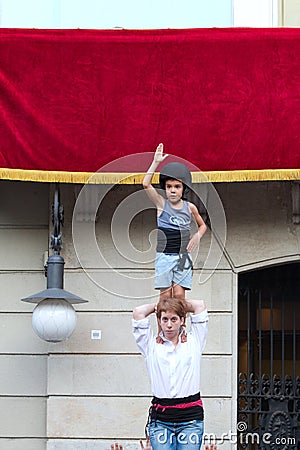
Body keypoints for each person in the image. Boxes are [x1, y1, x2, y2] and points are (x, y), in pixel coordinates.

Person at [132, 297, 208, 450]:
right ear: (159, 321)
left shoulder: (194, 342)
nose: (169, 324)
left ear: (182, 320)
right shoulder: (150, 345)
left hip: (190, 420)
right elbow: (138, 312)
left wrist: (176, 305)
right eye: (164, 319)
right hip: (161, 420)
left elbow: (199, 306)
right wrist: (160, 306)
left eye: (174, 319)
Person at [143, 143, 207, 303]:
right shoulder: (161, 204)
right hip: (164, 256)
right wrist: (156, 162)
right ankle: (161, 328)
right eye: (169, 186)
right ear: (164, 188)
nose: (172, 190)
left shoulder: (190, 207)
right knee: (165, 296)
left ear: (183, 189)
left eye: (177, 186)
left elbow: (202, 225)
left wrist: (197, 236)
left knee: (179, 296)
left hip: (182, 256)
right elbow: (145, 184)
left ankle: (182, 327)